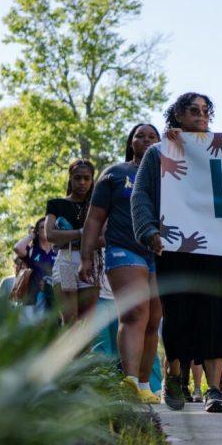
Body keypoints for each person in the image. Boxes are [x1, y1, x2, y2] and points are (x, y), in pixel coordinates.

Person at [132, 92, 222, 413]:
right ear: (178, 115)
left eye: (206, 111)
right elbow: (141, 196)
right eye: (193, 111)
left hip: (218, 246)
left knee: (214, 312)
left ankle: (214, 388)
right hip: (175, 244)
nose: (201, 116)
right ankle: (173, 377)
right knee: (178, 312)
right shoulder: (158, 153)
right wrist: (149, 231)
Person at [81, 123, 163, 404]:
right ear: (131, 142)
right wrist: (86, 256)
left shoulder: (170, 176)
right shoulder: (114, 174)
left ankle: (143, 385)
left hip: (160, 253)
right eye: (140, 136)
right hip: (123, 249)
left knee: (154, 319)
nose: (146, 140)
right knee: (135, 312)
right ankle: (128, 380)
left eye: (153, 136)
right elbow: (94, 219)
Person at [45, 160, 98, 326]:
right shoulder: (56, 204)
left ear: (92, 180)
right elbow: (50, 234)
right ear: (70, 179)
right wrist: (83, 233)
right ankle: (68, 353)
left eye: (86, 178)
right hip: (66, 261)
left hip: (91, 261)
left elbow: (105, 237)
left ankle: (87, 353)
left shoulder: (98, 206)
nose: (82, 182)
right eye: (77, 178)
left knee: (87, 323)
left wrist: (66, 236)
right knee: (70, 319)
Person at [14, 217, 56, 316]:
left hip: (53, 300)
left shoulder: (57, 251)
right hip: (32, 300)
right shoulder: (32, 251)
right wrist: (32, 235)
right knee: (34, 329)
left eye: (48, 227)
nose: (46, 230)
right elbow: (17, 248)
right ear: (37, 231)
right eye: (42, 227)